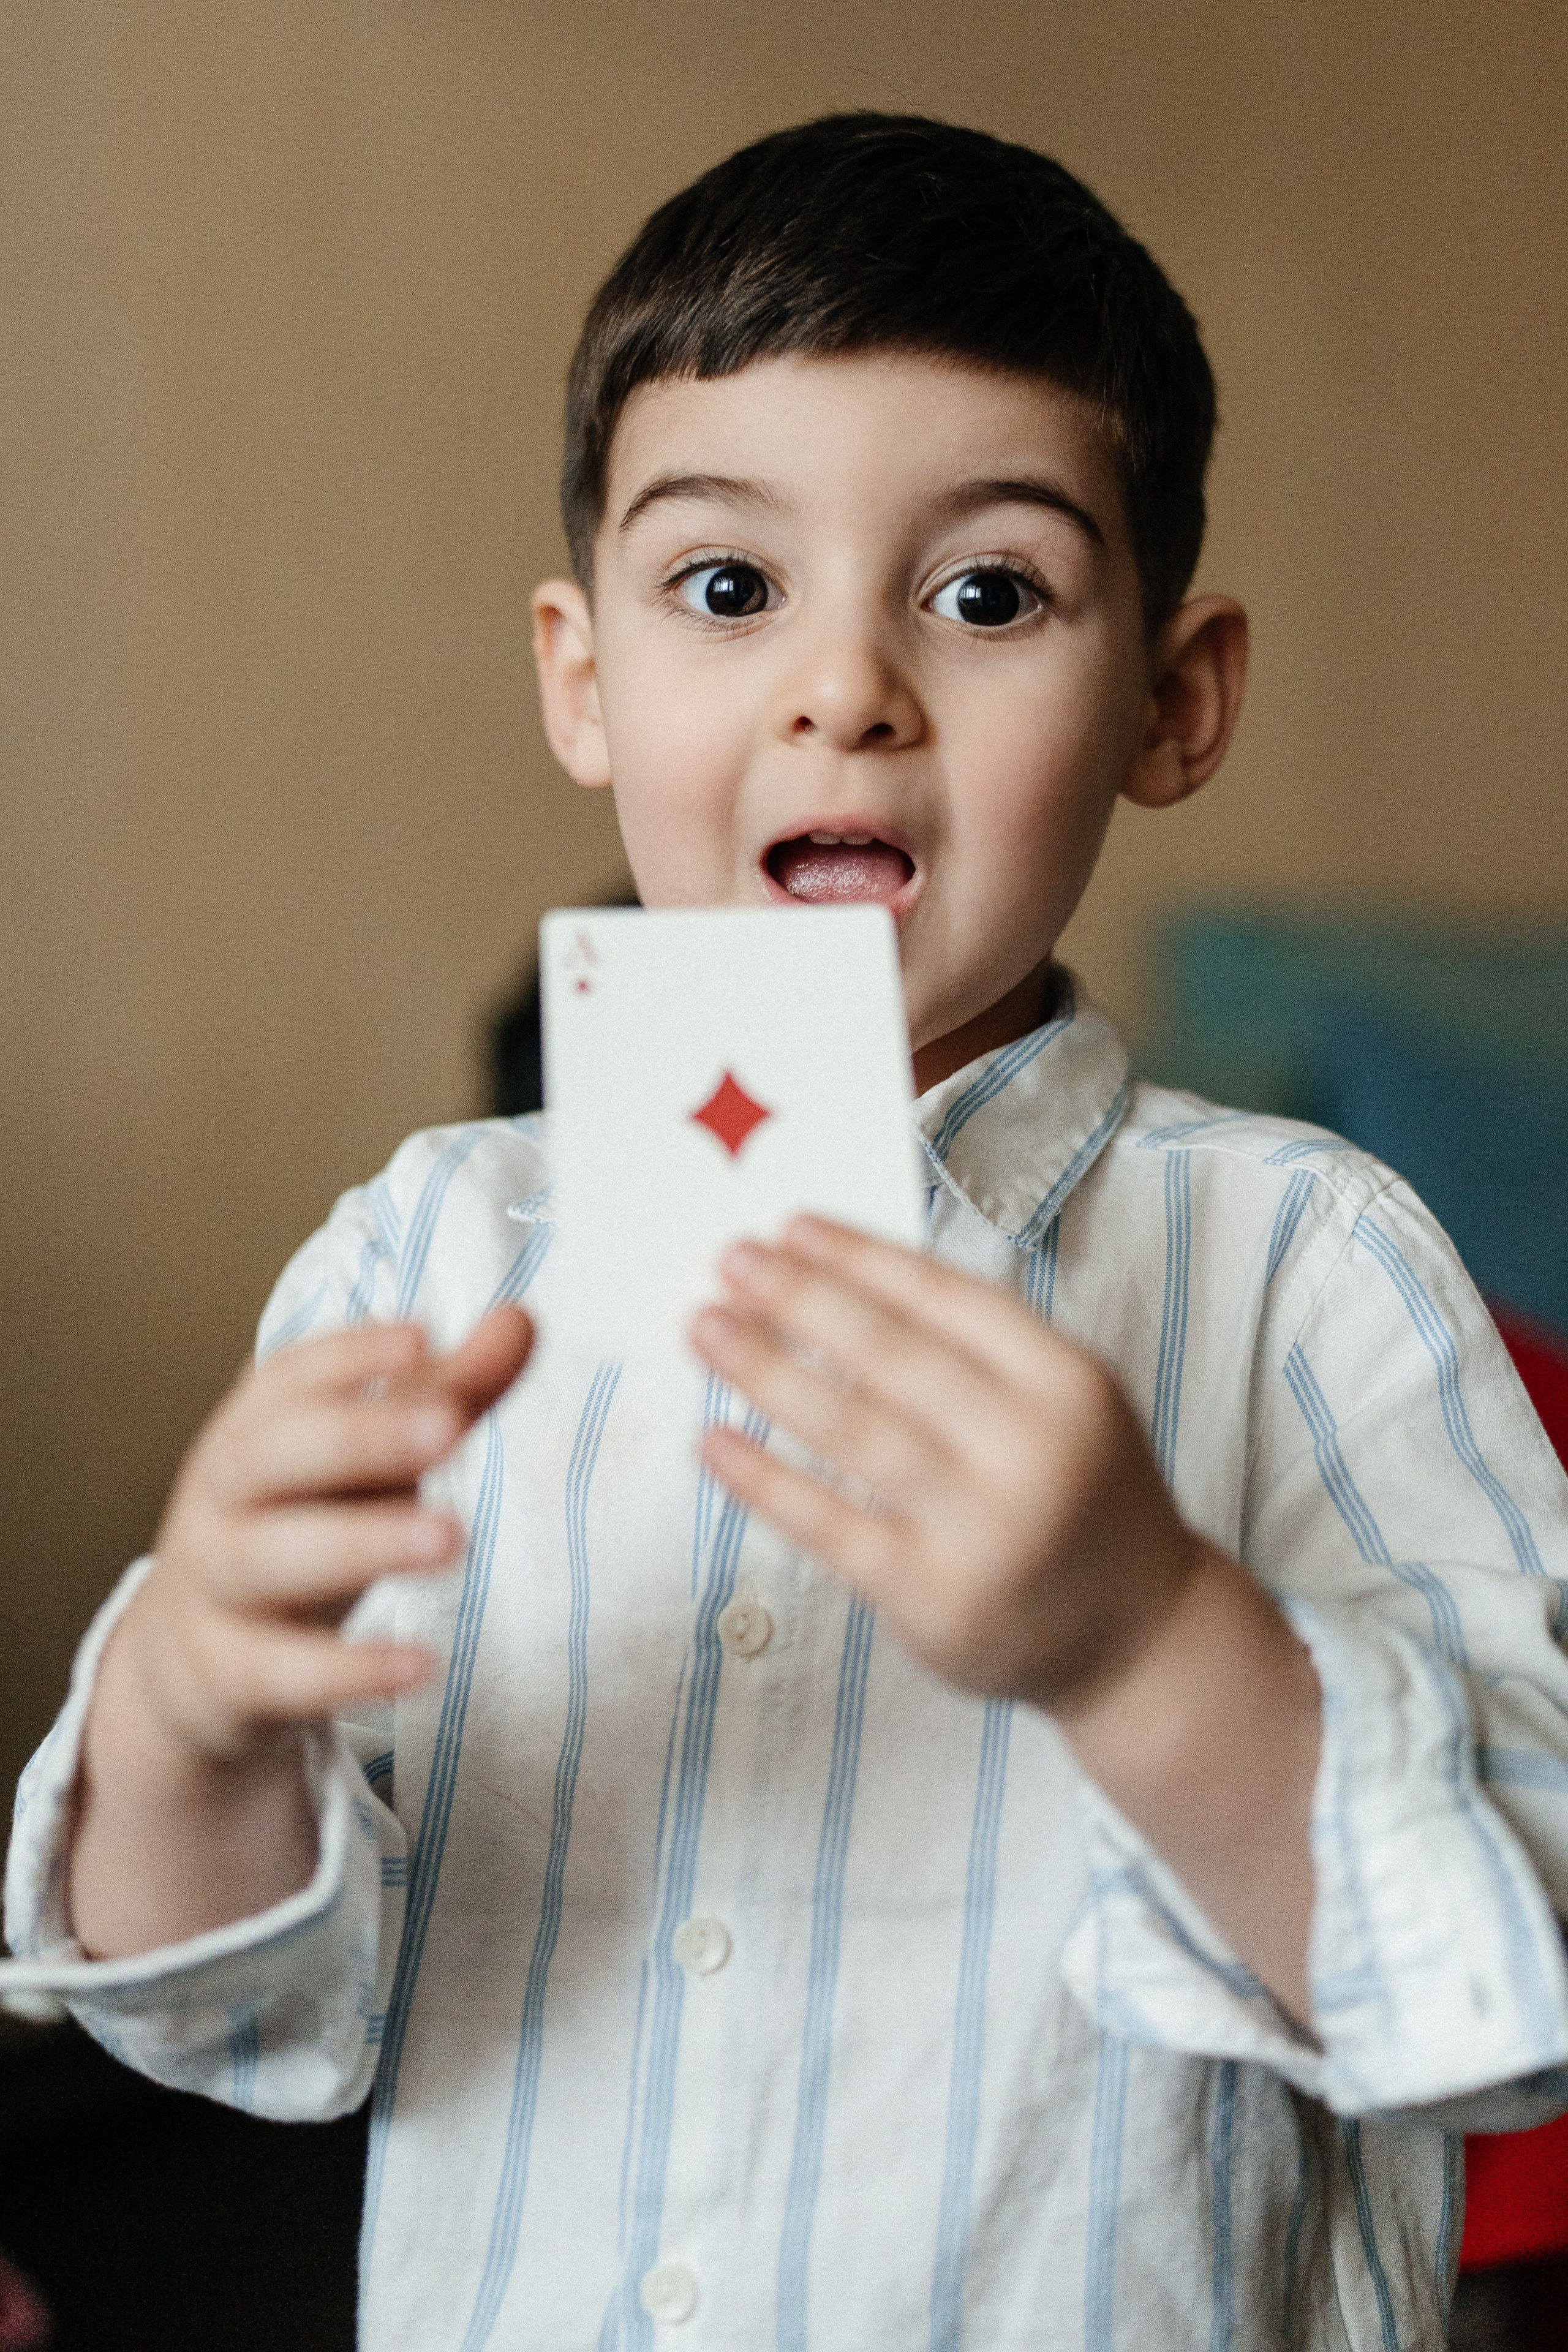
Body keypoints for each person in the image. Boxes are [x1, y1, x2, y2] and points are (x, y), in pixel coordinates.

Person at [6, 113, 1568, 2352]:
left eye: (989, 591)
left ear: (1175, 700)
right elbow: (229, 2019)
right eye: (730, 589)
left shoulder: (1308, 1270)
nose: (846, 688)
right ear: (581, 676)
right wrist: (187, 1717)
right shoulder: (418, 1260)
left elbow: (1512, 1981)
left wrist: (1146, 1648)